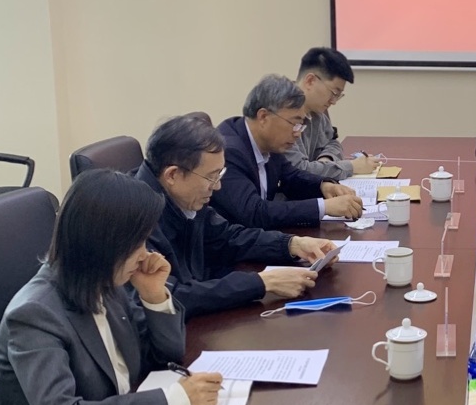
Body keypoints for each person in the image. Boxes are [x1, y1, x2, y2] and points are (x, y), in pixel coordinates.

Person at [0, 170, 225, 405]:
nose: (145, 254)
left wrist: (154, 296)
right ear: (104, 243)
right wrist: (173, 400)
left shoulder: (108, 284)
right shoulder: (34, 315)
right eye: (137, 243)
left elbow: (165, 357)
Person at [134, 113, 336, 317]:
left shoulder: (184, 197)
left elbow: (228, 237)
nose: (217, 186)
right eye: (211, 177)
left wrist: (291, 244)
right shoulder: (134, 219)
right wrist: (261, 283)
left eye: (219, 174)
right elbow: (168, 297)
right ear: (173, 175)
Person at [213, 74, 364, 228]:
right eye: (294, 124)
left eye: (301, 126)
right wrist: (323, 207)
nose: (298, 134)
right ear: (263, 116)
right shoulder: (228, 152)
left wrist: (323, 186)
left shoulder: (269, 143)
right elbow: (254, 212)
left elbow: (291, 177)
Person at [284, 47, 381, 180]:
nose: (333, 101)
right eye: (334, 93)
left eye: (338, 96)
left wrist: (327, 160)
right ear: (310, 81)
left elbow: (333, 142)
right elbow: (299, 171)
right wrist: (352, 167)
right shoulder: (283, 112)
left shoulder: (317, 111)